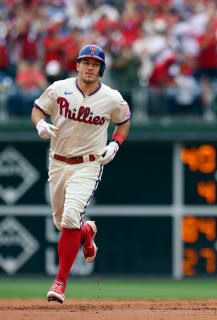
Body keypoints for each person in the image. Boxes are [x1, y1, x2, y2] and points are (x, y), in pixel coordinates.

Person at [31, 44, 131, 304]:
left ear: (101, 70)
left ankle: (60, 282)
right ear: (77, 65)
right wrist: (40, 123)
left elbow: (124, 120)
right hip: (57, 161)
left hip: (88, 164)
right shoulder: (58, 88)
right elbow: (38, 108)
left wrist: (115, 143)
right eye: (86, 62)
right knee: (64, 224)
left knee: (70, 218)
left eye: (95, 64)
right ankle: (86, 233)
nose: (90, 67)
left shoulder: (111, 97)